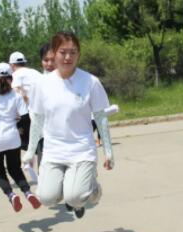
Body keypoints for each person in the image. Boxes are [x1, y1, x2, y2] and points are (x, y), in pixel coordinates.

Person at [23, 31, 115, 219]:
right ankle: (77, 183)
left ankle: (93, 188)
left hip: (81, 149)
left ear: (79, 54)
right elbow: (38, 119)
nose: (68, 57)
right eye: (63, 52)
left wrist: (108, 151)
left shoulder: (90, 82)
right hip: (54, 151)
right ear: (54, 53)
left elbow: (101, 118)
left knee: (74, 198)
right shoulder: (43, 84)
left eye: (73, 52)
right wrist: (31, 151)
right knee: (46, 198)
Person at [0, 62, 41, 212]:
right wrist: (18, 129)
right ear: (10, 77)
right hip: (12, 138)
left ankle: (11, 195)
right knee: (15, 169)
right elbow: (25, 118)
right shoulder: (16, 95)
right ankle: (27, 192)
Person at [9, 51, 42, 152]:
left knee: (25, 144)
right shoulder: (35, 72)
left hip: (28, 113)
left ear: (12, 65)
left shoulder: (14, 75)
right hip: (44, 110)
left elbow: (15, 92)